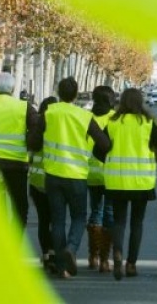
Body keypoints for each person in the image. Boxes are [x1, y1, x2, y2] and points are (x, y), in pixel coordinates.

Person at [28, 78, 110, 278]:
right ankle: (71, 249)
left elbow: (35, 141)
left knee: (57, 220)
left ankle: (62, 266)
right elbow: (105, 144)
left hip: (53, 175)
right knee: (79, 217)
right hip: (77, 176)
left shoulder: (49, 114)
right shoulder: (84, 116)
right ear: (76, 94)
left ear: (58, 92)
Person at [102, 88, 157, 281]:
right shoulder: (148, 124)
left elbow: (98, 150)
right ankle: (131, 263)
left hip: (116, 181)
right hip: (141, 182)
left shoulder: (113, 123)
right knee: (136, 223)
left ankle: (117, 253)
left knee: (118, 221)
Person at [0, 72, 37, 229]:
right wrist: (30, 148)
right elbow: (36, 129)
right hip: (17, 164)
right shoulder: (23, 107)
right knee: (20, 206)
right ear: (13, 89)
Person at [86, 85, 116, 272]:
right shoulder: (115, 119)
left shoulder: (86, 118)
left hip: (90, 171)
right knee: (109, 213)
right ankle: (105, 259)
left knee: (95, 211)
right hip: (111, 173)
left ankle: (93, 256)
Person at [29, 96, 58, 273]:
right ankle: (55, 253)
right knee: (57, 220)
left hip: (37, 181)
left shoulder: (36, 129)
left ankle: (46, 254)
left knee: (43, 220)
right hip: (57, 179)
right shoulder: (59, 129)